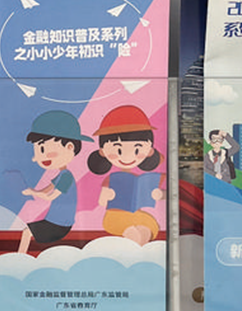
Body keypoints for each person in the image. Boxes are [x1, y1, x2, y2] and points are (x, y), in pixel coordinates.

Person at [87, 103, 165, 245]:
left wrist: (159, 194)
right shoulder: (111, 179)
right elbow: (102, 201)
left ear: (149, 151)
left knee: (149, 228)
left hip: (137, 215)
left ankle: (137, 251)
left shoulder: (141, 179)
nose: (127, 157)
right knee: (133, 232)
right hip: (115, 216)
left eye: (137, 150)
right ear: (103, 152)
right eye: (118, 150)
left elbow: (162, 195)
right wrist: (109, 196)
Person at [18, 110, 84, 253]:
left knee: (27, 232)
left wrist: (36, 194)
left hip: (59, 224)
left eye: (43, 149)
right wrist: (32, 191)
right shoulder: (61, 175)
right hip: (54, 221)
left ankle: (19, 257)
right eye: (37, 151)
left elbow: (50, 196)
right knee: (27, 232)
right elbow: (47, 189)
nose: (36, 158)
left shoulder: (66, 177)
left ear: (70, 147)